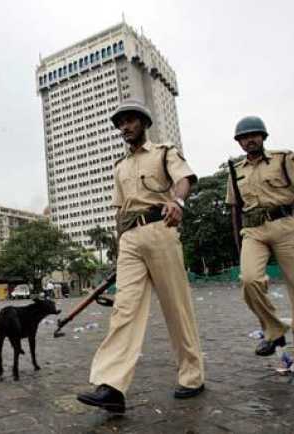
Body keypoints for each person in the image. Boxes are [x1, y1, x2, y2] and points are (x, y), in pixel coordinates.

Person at [77, 99, 205, 414]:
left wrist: (178, 202)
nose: (124, 127)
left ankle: (192, 375)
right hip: (130, 239)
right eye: (120, 123)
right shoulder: (119, 167)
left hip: (161, 228)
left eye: (130, 121)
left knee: (176, 307)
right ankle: (112, 386)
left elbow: (183, 179)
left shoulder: (163, 152)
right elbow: (119, 210)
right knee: (124, 310)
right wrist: (120, 248)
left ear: (143, 123)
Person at [226, 116, 294, 377]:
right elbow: (235, 209)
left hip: (285, 226)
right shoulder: (235, 170)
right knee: (249, 280)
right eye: (244, 137)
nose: (250, 140)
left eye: (254, 135)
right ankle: (274, 329)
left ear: (263, 137)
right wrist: (239, 244)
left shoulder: (283, 158)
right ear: (239, 142)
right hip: (253, 231)